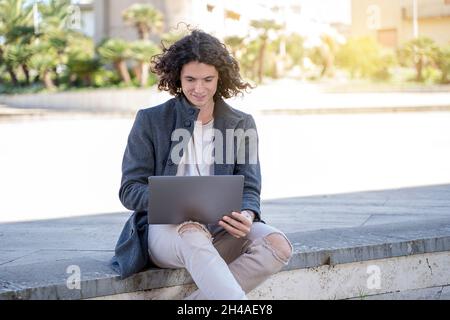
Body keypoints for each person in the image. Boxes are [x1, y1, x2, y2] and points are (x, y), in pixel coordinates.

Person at [111, 30, 293, 300]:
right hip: (167, 233)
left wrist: (247, 215)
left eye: (208, 79)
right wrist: (173, 202)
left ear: (220, 77)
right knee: (193, 232)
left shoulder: (241, 123)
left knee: (277, 245)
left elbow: (250, 187)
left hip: (221, 228)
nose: (199, 88)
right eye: (190, 79)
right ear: (177, 78)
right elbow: (129, 190)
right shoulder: (151, 120)